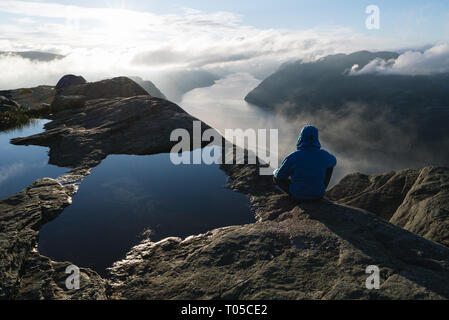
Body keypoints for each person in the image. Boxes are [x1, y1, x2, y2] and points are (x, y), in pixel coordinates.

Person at [273, 125, 336, 201]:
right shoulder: (324, 155)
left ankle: (299, 192)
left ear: (301, 137)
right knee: (329, 167)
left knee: (277, 178)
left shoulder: (293, 156)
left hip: (297, 194)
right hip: (318, 195)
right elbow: (333, 161)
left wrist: (275, 171)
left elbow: (280, 176)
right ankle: (319, 190)